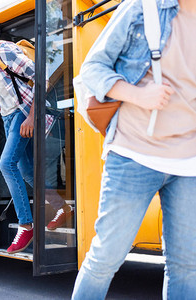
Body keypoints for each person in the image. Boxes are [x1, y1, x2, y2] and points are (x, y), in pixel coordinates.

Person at [72, 0, 196, 299]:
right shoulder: (144, 7)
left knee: (187, 267)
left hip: (190, 164)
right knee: (105, 260)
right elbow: (92, 68)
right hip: (133, 154)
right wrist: (138, 95)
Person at [0, 11, 74, 254]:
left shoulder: (2, 50)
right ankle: (63, 208)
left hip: (25, 110)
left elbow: (42, 77)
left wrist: (31, 116)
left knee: (6, 164)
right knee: (26, 171)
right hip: (9, 117)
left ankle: (26, 224)